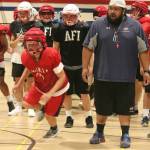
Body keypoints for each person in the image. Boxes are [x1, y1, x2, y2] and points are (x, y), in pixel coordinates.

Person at [82, 0, 150, 148]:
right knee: (101, 108)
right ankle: (99, 133)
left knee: (124, 109)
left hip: (126, 78)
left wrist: (146, 70)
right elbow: (88, 47)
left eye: (117, 9)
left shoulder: (135, 26)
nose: (113, 12)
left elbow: (143, 50)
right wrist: (85, 68)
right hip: (102, 76)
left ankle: (125, 134)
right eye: (111, 8)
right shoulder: (97, 25)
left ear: (123, 10)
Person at [12, 27, 69, 138]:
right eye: (30, 45)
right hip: (40, 85)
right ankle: (41, 108)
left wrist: (49, 94)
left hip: (57, 88)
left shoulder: (51, 54)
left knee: (49, 115)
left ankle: (54, 129)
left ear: (42, 43)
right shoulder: (25, 55)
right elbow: (29, 67)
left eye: (35, 44)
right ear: (25, 45)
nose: (33, 48)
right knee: (25, 103)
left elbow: (62, 77)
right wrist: (18, 84)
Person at [53, 4, 94, 128]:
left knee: (85, 93)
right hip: (65, 67)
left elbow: (89, 48)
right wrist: (55, 67)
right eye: (66, 16)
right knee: (67, 93)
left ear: (78, 16)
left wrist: (90, 66)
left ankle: (89, 116)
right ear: (62, 16)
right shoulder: (58, 28)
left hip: (81, 66)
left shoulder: (85, 27)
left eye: (72, 16)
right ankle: (69, 117)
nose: (69, 18)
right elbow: (55, 49)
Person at [9, 1, 37, 117]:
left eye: (24, 13)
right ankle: (19, 106)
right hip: (17, 58)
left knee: (30, 83)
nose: (22, 15)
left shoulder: (36, 25)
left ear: (30, 12)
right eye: (20, 13)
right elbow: (11, 44)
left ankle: (30, 107)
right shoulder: (14, 24)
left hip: (30, 57)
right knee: (17, 82)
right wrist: (17, 41)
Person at [131, 0, 150, 126]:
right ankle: (141, 111)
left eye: (134, 9)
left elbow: (140, 44)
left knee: (145, 87)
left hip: (144, 59)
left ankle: (143, 112)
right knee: (140, 84)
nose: (132, 12)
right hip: (141, 59)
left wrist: (145, 65)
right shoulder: (139, 23)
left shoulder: (145, 24)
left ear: (140, 11)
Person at [0, 24, 15, 113]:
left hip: (0, 61)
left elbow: (5, 46)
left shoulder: (1, 32)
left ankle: (10, 102)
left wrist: (2, 53)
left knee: (1, 82)